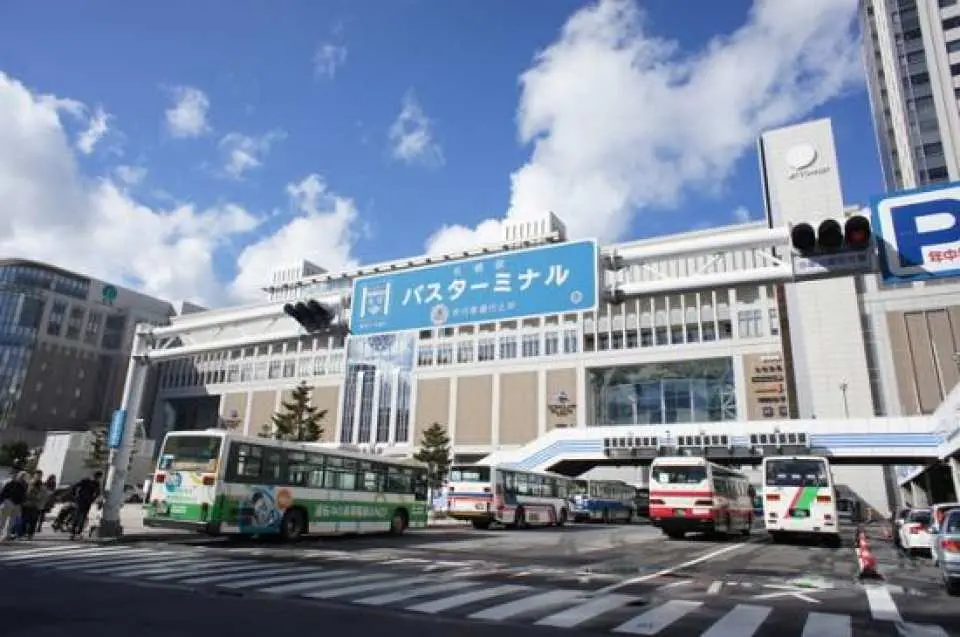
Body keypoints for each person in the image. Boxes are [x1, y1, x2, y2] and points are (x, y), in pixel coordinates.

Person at [70, 470, 102, 539]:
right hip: (84, 501)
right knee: (81, 516)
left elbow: (75, 486)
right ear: (98, 477)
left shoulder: (91, 481)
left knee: (80, 516)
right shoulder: (92, 482)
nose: (98, 479)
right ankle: (76, 532)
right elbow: (97, 493)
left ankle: (75, 533)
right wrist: (93, 499)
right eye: (99, 477)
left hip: (83, 501)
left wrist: (75, 495)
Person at [19, 472, 50, 539]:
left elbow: (44, 495)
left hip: (35, 506)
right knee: (24, 520)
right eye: (37, 475)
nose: (39, 477)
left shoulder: (42, 485)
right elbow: (25, 493)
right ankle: (23, 533)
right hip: (27, 504)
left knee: (33, 520)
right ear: (34, 476)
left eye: (40, 476)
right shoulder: (29, 483)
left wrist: (41, 501)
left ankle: (30, 534)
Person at [0, 472, 28, 540]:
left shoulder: (24, 485)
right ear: (18, 476)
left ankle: (7, 535)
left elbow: (24, 495)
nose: (23, 478)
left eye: (24, 476)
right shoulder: (11, 483)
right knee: (2, 520)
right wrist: (1, 501)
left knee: (12, 521)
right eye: (22, 476)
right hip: (9, 502)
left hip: (17, 505)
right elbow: (3, 492)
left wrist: (22, 503)